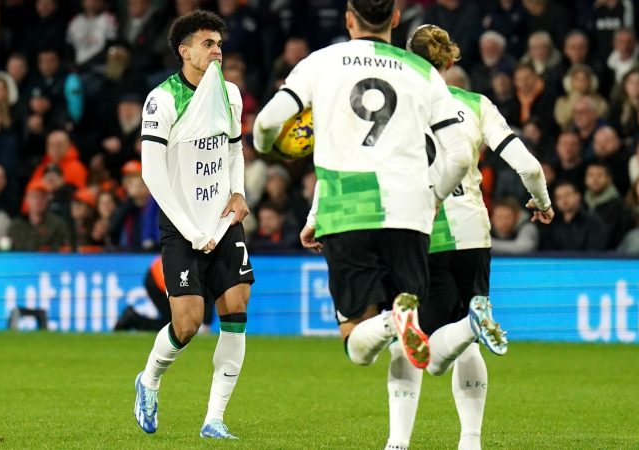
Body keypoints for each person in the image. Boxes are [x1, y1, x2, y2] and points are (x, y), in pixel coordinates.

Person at [254, 4, 481, 449]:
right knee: (405, 327)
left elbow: (266, 123)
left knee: (354, 345)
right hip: (410, 215)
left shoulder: (320, 62)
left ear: (348, 18)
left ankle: (390, 325)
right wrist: (433, 198)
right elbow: (457, 156)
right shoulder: (423, 72)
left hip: (348, 210)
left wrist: (271, 149)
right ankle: (399, 345)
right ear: (395, 18)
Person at [406, 24, 553, 450]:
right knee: (463, 340)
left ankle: (473, 323)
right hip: (476, 234)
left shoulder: (396, 109)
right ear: (449, 62)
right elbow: (528, 167)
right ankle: (470, 441)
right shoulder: (476, 104)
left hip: (424, 235)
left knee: (429, 354)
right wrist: (541, 202)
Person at [133, 11, 252, 440]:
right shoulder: (162, 100)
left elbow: (234, 150)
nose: (217, 49)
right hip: (182, 226)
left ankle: (214, 419)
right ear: (185, 52)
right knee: (187, 324)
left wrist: (238, 194)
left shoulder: (231, 95)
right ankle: (149, 380)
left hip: (222, 221)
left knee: (236, 308)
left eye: (219, 42)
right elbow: (152, 173)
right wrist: (188, 228)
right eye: (207, 43)